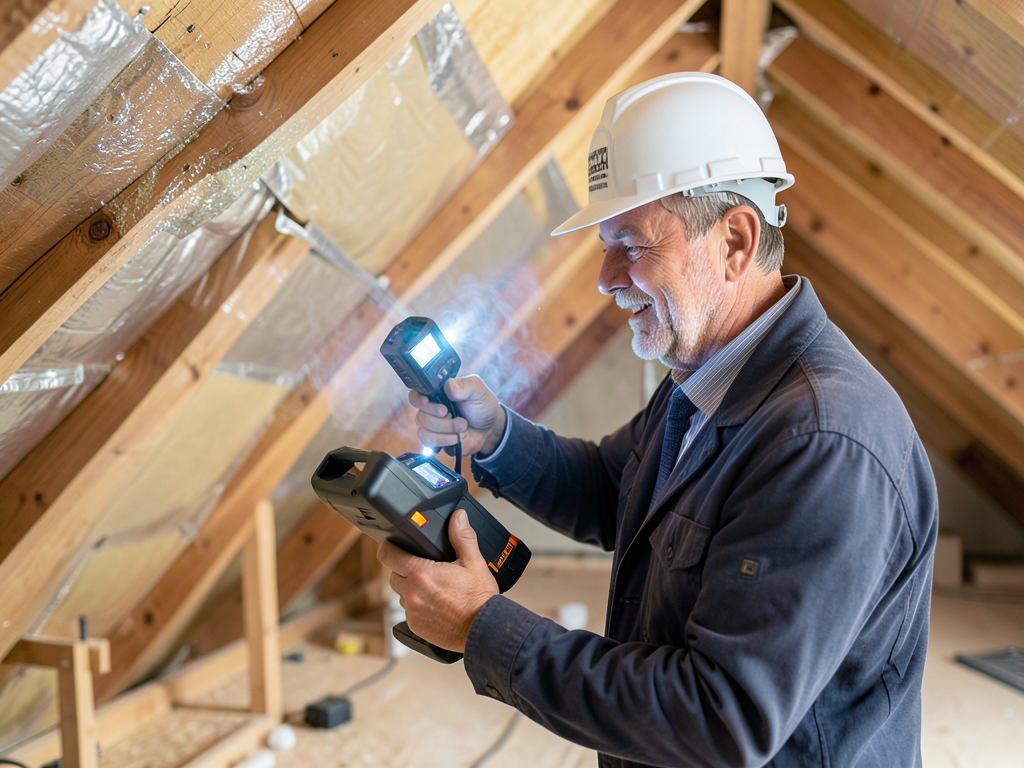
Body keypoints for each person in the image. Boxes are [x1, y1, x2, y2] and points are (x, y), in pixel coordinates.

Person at [377, 73, 938, 767]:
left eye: (634, 245)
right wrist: (496, 437)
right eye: (605, 243)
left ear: (735, 241)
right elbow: (620, 493)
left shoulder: (824, 441)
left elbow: (720, 715)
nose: (606, 276)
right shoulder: (706, 380)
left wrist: (484, 629)